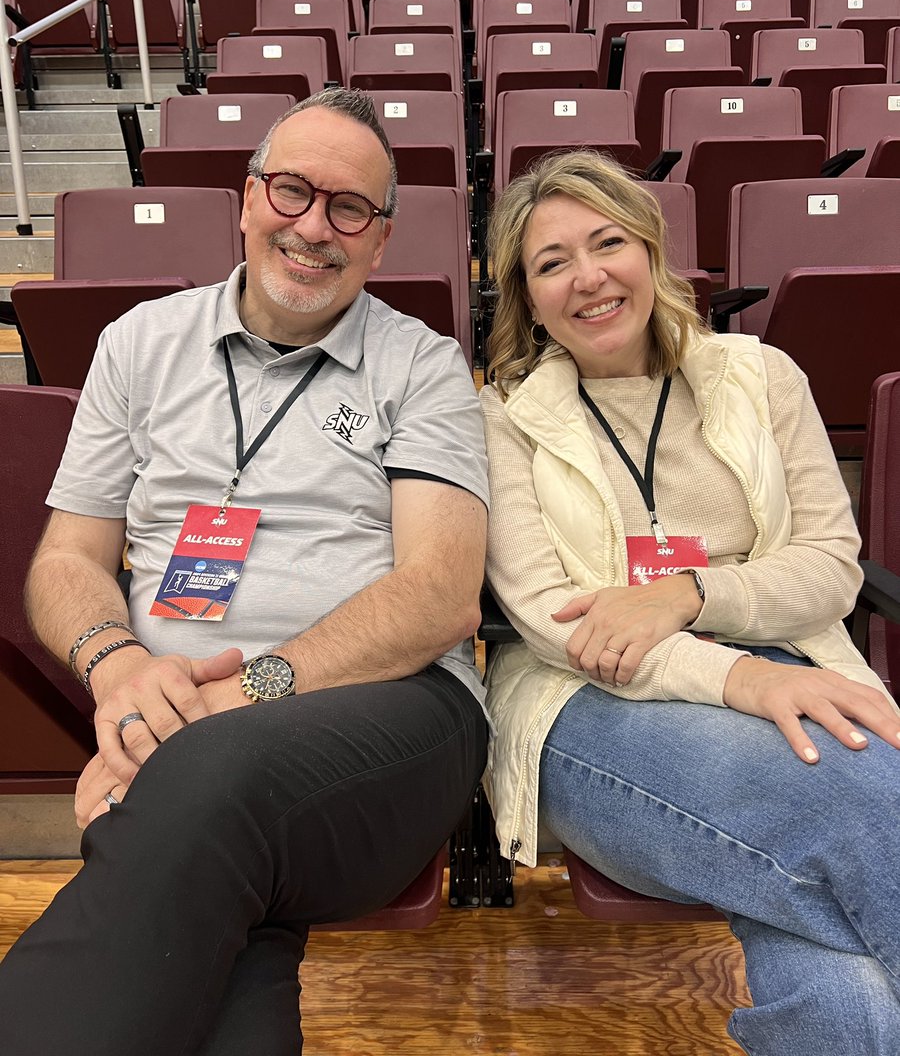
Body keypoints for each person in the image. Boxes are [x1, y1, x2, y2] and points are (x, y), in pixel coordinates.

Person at [0, 88, 489, 1056]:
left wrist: (231, 702)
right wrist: (120, 675)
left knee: (200, 790)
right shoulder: (138, 344)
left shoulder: (422, 366)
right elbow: (67, 558)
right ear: (246, 197)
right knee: (221, 918)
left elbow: (440, 595)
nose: (315, 227)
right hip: (181, 741)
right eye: (293, 191)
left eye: (349, 207)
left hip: (395, 719)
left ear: (382, 240)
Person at [480, 148, 900, 1054]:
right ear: (526, 293)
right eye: (552, 263)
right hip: (590, 707)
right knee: (864, 806)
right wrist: (741, 678)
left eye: (607, 243)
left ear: (651, 248)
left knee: (851, 979)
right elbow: (558, 623)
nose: (588, 278)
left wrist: (690, 592)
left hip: (796, 671)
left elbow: (831, 564)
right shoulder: (505, 415)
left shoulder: (762, 376)